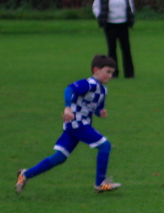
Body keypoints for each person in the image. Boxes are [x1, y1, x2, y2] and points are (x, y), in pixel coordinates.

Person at [15, 55, 122, 194]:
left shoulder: (103, 90)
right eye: (107, 72)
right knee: (105, 145)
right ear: (96, 70)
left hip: (78, 125)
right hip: (77, 124)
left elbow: (94, 108)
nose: (110, 75)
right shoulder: (88, 84)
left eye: (112, 73)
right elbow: (69, 89)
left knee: (59, 158)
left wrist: (100, 112)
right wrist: (67, 108)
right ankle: (100, 184)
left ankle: (25, 175)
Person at [92, 0, 135, 79]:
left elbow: (130, 4)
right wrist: (100, 17)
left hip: (123, 23)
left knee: (126, 49)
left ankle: (129, 74)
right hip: (110, 24)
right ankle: (113, 73)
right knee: (112, 49)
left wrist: (131, 16)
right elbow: (96, 6)